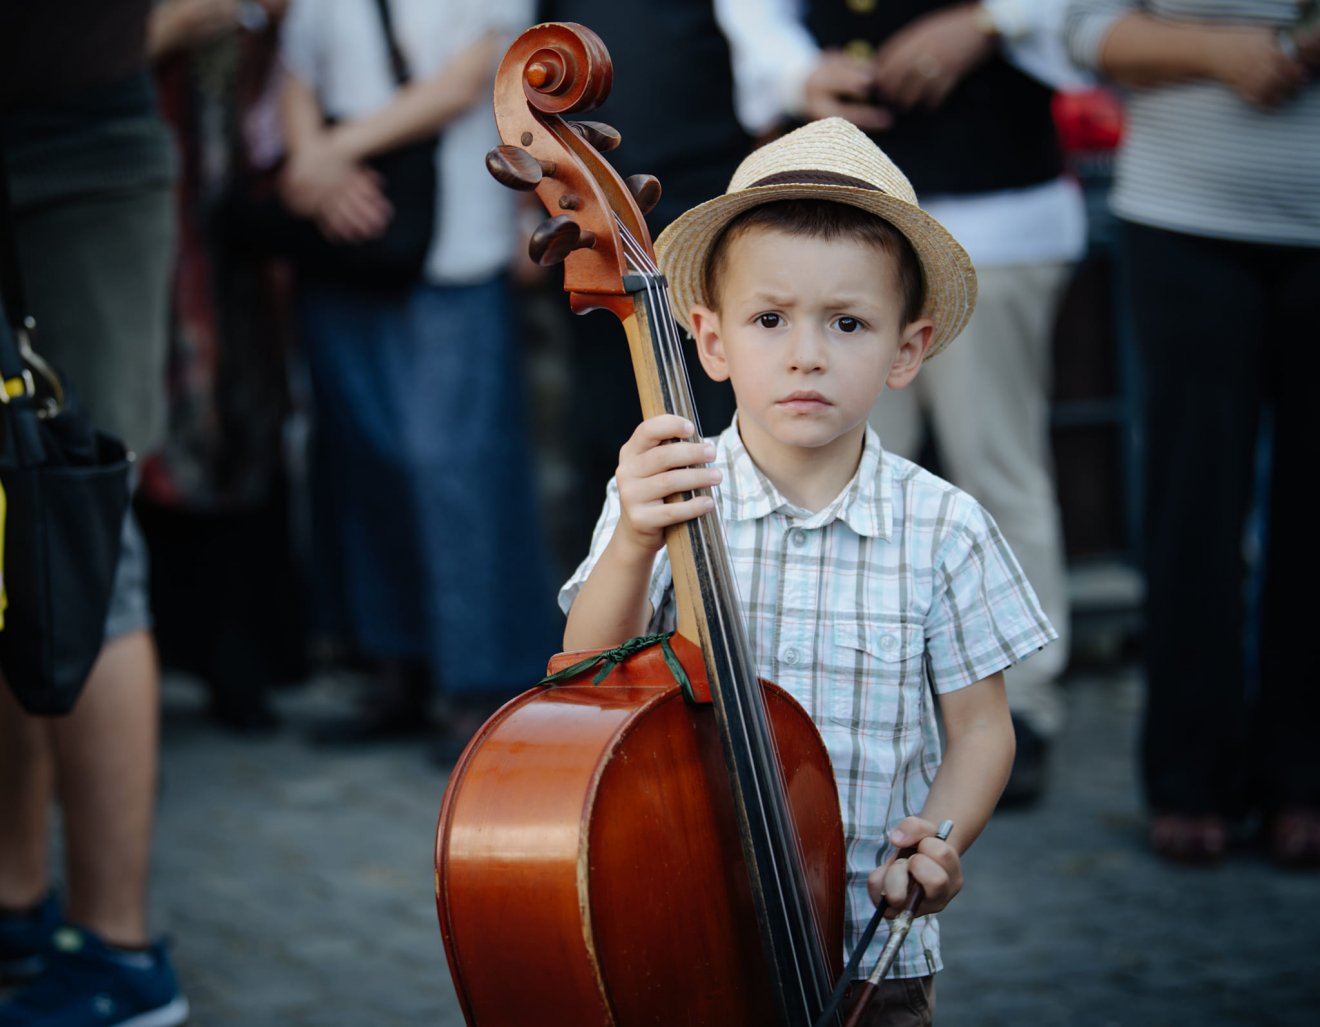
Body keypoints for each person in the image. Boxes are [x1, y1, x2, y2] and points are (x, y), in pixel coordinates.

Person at [559, 117, 1055, 1023]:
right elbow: (585, 675)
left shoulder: (945, 527)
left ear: (907, 349)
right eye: (770, 319)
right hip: (683, 921)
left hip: (872, 944)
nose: (807, 354)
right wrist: (633, 538)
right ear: (710, 340)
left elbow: (982, 732)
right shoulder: (666, 492)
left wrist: (938, 845)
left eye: (849, 322)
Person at [715, 0, 1090, 805]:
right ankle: (851, 706)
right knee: (835, 478)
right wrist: (796, 69)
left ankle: (1017, 705)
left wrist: (992, 19)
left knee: (995, 462)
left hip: (991, 195)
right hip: (832, 232)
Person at [1064, 0, 1320, 866]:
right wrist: (1236, 52)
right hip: (1185, 216)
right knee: (1190, 507)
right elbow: (1086, 28)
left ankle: (1305, 777)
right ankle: (1190, 775)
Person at [277, 0, 558, 755]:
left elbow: (469, 80)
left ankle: (484, 680)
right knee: (361, 453)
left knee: (453, 464)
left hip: (453, 232)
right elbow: (297, 68)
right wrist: (312, 164)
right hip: (345, 232)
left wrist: (333, 153)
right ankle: (395, 665)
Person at [0, 2, 186, 1025]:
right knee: (7, 546)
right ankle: (16, 896)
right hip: (59, 142)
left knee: (82, 535)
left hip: (78, 155)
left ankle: (120, 951)